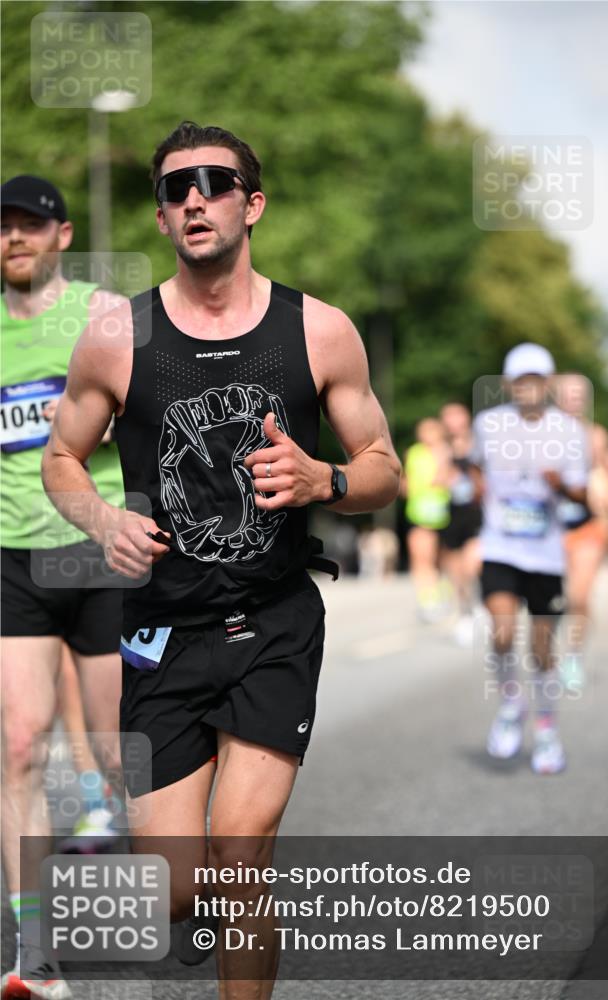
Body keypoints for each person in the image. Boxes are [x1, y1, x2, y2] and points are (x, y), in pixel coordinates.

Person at [41, 121, 401, 998]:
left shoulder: (318, 331)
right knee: (172, 886)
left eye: (213, 181)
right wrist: (98, 520)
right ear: (162, 219)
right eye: (174, 189)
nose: (193, 198)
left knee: (241, 857)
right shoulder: (115, 339)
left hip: (273, 619)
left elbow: (384, 470)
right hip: (160, 630)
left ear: (253, 203)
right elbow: (60, 459)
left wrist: (325, 478)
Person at [1, 175, 126, 1000]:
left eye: (29, 227)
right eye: (3, 228)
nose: (14, 239)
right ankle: (34, 951)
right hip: (12, 554)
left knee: (122, 753)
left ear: (61, 234)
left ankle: (195, 873)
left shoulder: (100, 314)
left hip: (96, 545)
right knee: (18, 746)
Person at [471, 343, 589, 775]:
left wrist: (561, 484)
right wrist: (479, 487)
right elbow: (475, 466)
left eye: (537, 380)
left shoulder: (570, 431)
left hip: (545, 554)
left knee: (541, 648)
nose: (529, 388)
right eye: (521, 381)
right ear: (509, 385)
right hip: (501, 546)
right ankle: (509, 705)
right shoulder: (488, 424)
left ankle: (546, 728)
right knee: (502, 633)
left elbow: (583, 493)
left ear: (549, 384)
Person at [554, 373, 608, 690]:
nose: (573, 399)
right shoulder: (539, 434)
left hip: (586, 526)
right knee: (550, 598)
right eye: (567, 393)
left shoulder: (596, 436)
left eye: (579, 394)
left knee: (579, 596)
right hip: (549, 528)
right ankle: (544, 653)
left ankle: (573, 656)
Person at [439, 402, 482, 645]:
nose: (453, 422)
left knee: (471, 566)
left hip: (475, 514)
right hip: (451, 515)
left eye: (457, 416)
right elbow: (436, 479)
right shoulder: (441, 449)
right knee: (456, 574)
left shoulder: (479, 443)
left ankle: (480, 606)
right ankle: (466, 613)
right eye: (448, 417)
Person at [402, 418, 451, 622]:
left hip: (443, 513)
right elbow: (408, 481)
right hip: (419, 512)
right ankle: (428, 600)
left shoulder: (446, 452)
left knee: (442, 560)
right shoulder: (414, 452)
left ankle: (443, 595)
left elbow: (444, 479)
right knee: (421, 558)